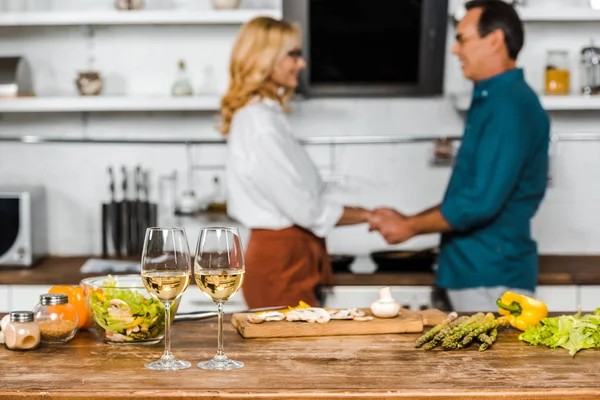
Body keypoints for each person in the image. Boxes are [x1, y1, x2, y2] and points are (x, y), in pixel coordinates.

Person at [369, 0, 550, 312]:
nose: (454, 50)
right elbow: (471, 194)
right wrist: (408, 220)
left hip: (491, 275)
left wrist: (411, 226)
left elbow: (479, 201)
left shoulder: (509, 105)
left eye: (462, 38)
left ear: (494, 40)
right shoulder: (494, 99)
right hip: (476, 271)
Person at [221, 17, 372, 309]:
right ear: (265, 59)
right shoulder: (259, 123)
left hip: (291, 259)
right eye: (293, 54)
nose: (301, 64)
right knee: (288, 352)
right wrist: (369, 216)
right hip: (280, 263)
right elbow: (306, 208)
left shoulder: (269, 117)